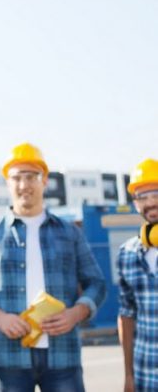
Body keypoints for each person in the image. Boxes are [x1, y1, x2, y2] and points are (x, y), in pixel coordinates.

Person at [0, 142, 106, 392]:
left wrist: (76, 313)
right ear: (7, 182)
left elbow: (97, 283)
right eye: (17, 177)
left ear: (45, 180)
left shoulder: (70, 233)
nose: (24, 185)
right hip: (10, 357)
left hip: (63, 355)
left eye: (32, 176)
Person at [117, 158, 158, 392]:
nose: (151, 202)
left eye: (156, 193)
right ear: (135, 203)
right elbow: (126, 316)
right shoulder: (127, 254)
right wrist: (128, 375)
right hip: (144, 377)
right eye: (142, 196)